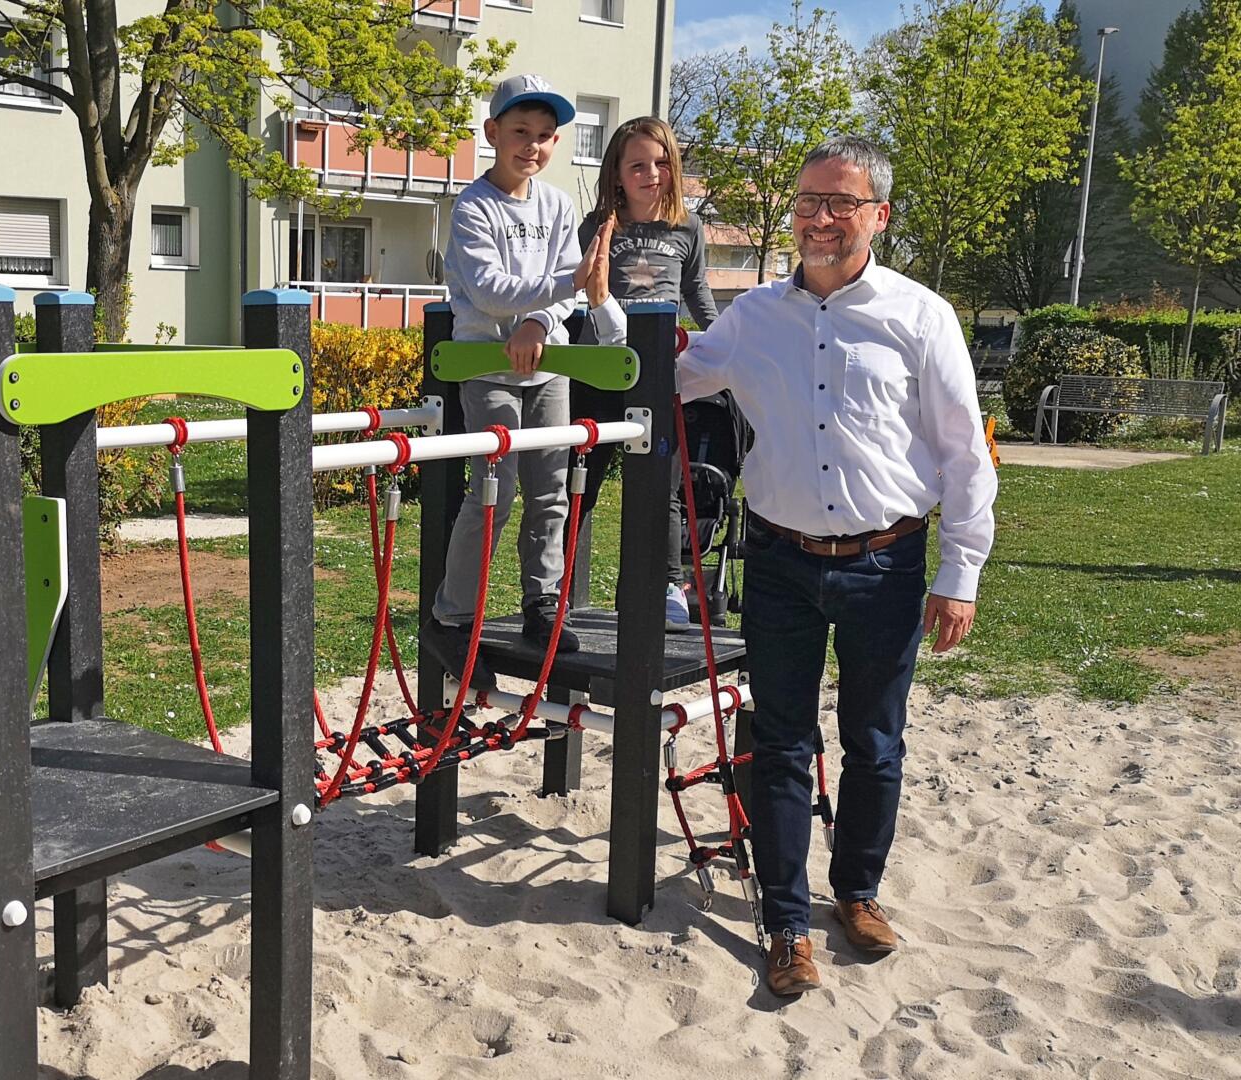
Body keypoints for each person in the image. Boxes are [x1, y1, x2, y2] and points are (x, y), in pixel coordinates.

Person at [593, 136, 996, 995]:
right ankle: (784, 922)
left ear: (878, 216)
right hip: (778, 560)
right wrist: (591, 311)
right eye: (808, 202)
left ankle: (855, 893)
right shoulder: (752, 320)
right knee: (777, 744)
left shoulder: (921, 316)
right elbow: (665, 378)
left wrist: (959, 574)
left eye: (839, 203)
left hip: (886, 564)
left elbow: (966, 455)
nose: (818, 218)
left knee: (874, 743)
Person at [422, 72, 615, 688]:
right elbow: (486, 289)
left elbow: (557, 294)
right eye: (520, 132)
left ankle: (543, 603)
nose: (532, 145)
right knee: (493, 495)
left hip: (547, 366)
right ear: (492, 133)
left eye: (545, 136)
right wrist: (564, 288)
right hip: (488, 368)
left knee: (551, 492)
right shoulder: (474, 206)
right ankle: (453, 618)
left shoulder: (557, 205)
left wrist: (538, 320)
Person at [577, 115, 721, 625]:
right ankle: (566, 587)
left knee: (662, 482)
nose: (652, 173)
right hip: (601, 367)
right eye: (638, 164)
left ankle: (661, 586)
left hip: (661, 370)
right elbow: (586, 291)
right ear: (617, 173)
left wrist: (723, 340)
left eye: (662, 163)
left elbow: (696, 290)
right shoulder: (598, 226)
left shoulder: (687, 226)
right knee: (583, 477)